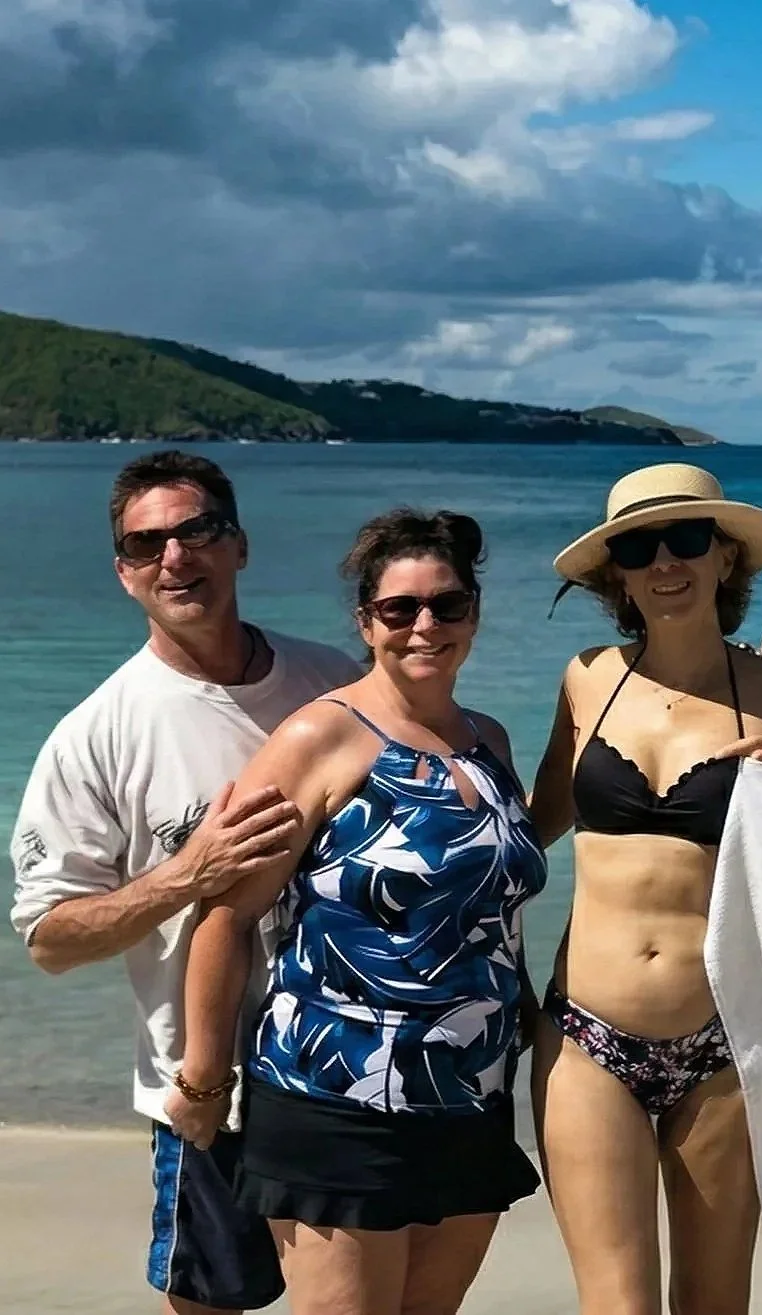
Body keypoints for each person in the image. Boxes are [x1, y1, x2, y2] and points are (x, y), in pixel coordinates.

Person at [162, 509, 544, 1315]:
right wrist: (203, 1078)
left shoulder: (490, 741)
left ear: (473, 612)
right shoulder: (320, 736)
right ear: (367, 622)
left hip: (471, 1098)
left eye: (447, 604)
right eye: (400, 609)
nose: (425, 626)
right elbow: (226, 913)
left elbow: (494, 916)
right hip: (337, 1098)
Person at [9, 451, 359, 1315]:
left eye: (196, 530)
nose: (175, 556)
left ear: (238, 545)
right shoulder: (99, 733)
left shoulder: (335, 686)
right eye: (146, 543)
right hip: (212, 1092)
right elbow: (50, 938)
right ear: (124, 572)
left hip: (349, 1071)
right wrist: (183, 875)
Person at [529, 464, 762, 1315]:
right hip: (585, 1035)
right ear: (616, 575)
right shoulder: (587, 677)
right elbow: (526, 830)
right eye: (637, 548)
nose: (664, 561)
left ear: (725, 557)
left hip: (724, 1045)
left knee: (714, 1302)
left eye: (687, 538)